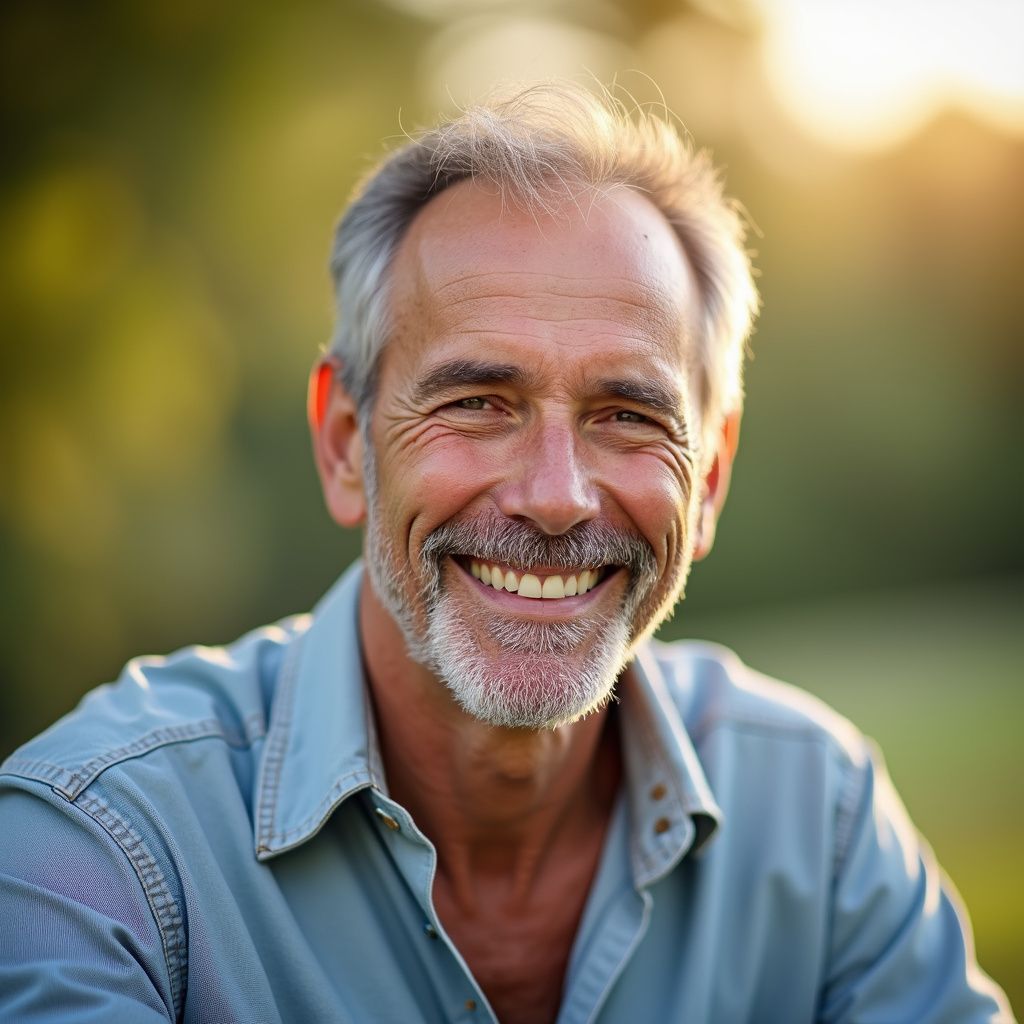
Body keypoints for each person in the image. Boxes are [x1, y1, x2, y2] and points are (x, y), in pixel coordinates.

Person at [0, 82, 1012, 1024]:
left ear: (705, 479)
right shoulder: (104, 850)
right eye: (478, 403)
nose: (557, 497)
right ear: (345, 444)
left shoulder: (816, 820)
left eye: (626, 414)